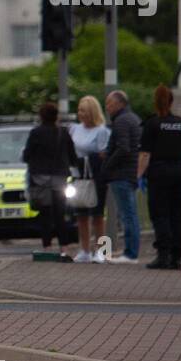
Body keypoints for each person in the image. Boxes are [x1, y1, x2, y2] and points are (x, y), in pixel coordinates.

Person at [137, 84, 181, 270]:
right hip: (180, 173)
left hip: (159, 174)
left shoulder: (151, 124)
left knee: (160, 215)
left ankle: (163, 255)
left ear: (155, 102)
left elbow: (145, 155)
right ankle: (176, 257)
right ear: (171, 101)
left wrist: (137, 176)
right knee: (177, 215)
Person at [22, 101, 78, 258]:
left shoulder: (35, 133)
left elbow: (27, 155)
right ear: (56, 116)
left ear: (41, 116)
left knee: (45, 214)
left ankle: (46, 247)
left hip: (40, 179)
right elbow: (72, 156)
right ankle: (64, 247)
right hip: (60, 179)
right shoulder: (64, 133)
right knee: (60, 214)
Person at [102, 89, 143, 263]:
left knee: (128, 215)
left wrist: (107, 164)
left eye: (109, 104)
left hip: (122, 174)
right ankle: (130, 251)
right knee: (130, 213)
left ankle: (130, 253)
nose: (107, 108)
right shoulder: (133, 119)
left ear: (119, 103)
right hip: (130, 172)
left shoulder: (122, 121)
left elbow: (124, 148)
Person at [69, 95, 111, 263]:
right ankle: (84, 250)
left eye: (84, 110)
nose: (81, 114)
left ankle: (103, 251)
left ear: (92, 112)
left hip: (96, 177)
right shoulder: (74, 129)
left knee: (98, 215)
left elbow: (103, 154)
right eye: (79, 110)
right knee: (81, 214)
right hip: (78, 176)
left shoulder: (101, 131)